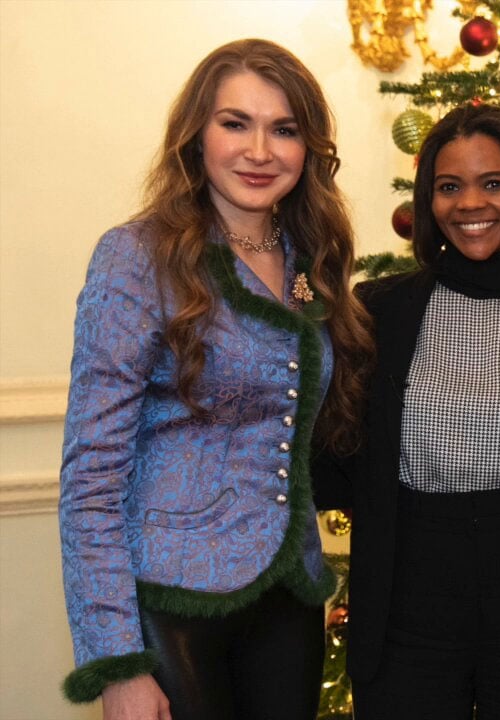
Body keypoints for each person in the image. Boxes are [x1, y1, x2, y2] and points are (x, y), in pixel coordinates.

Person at [58, 39, 373, 720]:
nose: (259, 150)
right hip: (170, 604)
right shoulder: (136, 256)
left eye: (284, 129)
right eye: (236, 123)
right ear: (195, 137)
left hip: (286, 599)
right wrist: (117, 666)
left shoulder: (306, 259)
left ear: (308, 149)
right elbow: (90, 479)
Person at [312, 103, 500, 719]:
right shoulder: (377, 314)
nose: (470, 204)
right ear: (429, 201)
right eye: (449, 187)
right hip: (407, 612)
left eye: (494, 184)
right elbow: (328, 460)